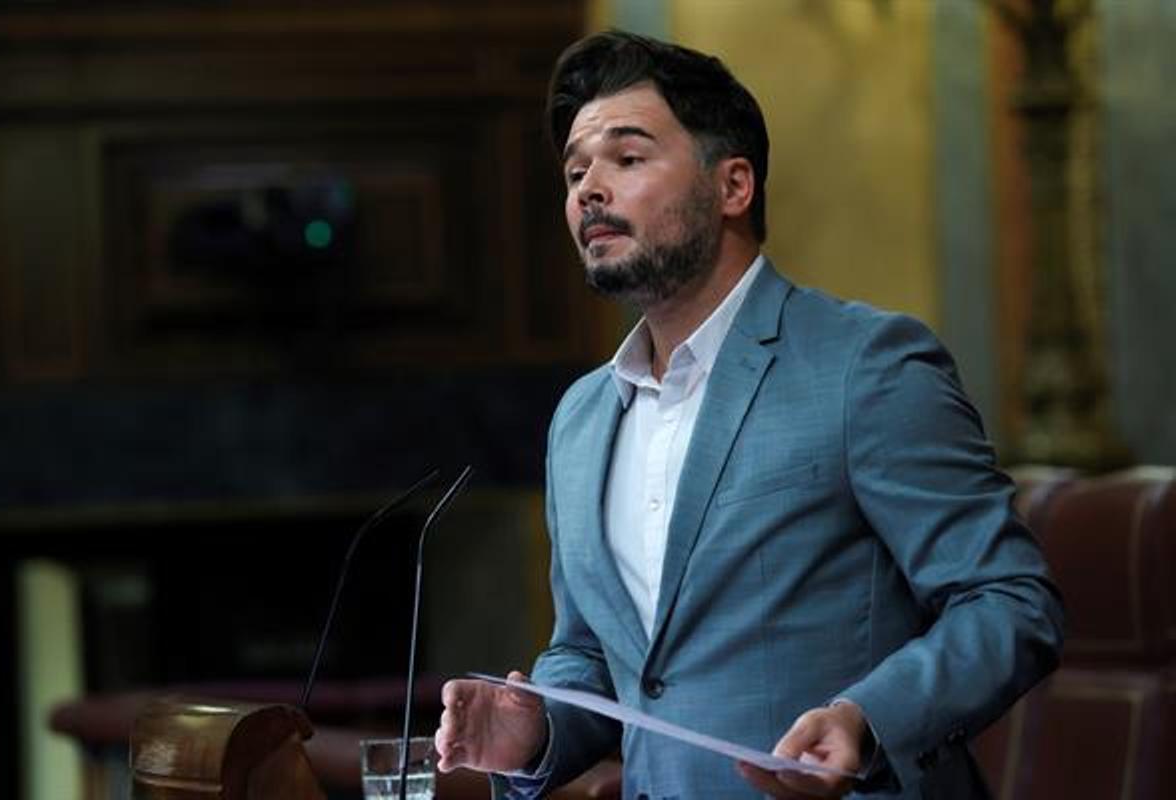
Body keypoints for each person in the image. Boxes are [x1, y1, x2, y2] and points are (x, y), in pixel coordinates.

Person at [433, 31, 1064, 799]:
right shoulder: (580, 417)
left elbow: (1008, 603)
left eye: (627, 160)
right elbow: (598, 657)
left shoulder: (865, 364)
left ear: (733, 186)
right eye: (574, 172)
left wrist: (868, 718)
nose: (588, 191)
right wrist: (535, 733)